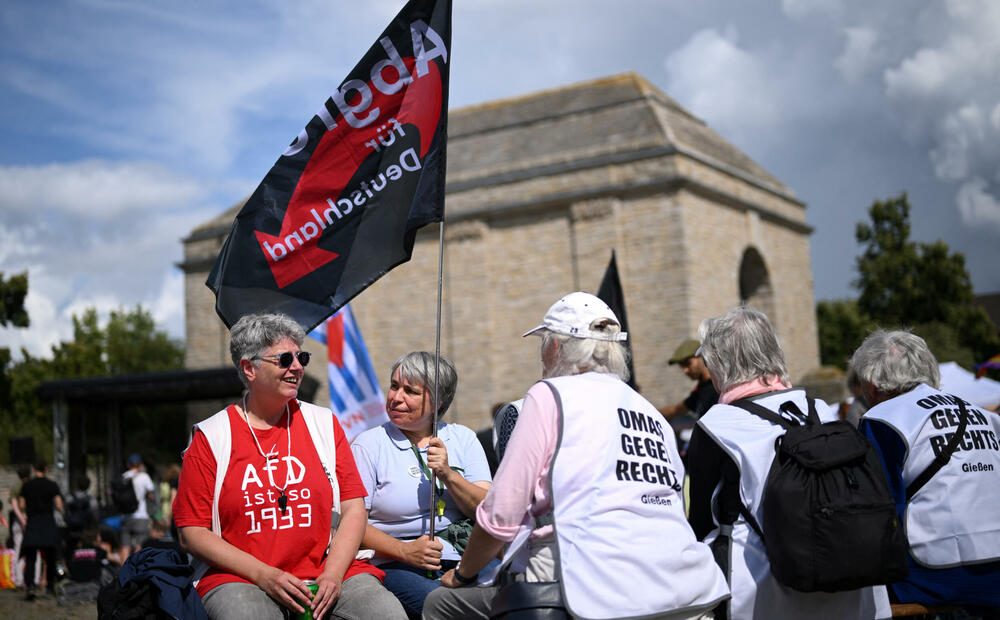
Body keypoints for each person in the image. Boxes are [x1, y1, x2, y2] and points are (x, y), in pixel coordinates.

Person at [424, 292, 729, 620]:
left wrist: (464, 573)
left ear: (556, 347)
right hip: (683, 584)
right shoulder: (649, 410)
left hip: (588, 581)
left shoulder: (550, 395)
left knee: (439, 604)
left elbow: (501, 514)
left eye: (544, 344)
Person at [173, 312, 405, 620]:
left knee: (387, 614)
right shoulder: (212, 437)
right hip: (240, 578)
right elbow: (192, 532)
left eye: (301, 357)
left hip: (328, 569)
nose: (297, 367)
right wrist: (264, 575)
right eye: (284, 359)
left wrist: (333, 575)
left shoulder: (323, 423)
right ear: (249, 368)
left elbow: (354, 508)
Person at [686, 305, 889, 619]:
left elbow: (699, 522)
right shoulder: (818, 408)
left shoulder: (716, 425)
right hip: (851, 588)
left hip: (763, 597)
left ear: (721, 363)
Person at [851, 329, 1000, 611]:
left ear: (870, 384)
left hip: (934, 576)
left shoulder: (882, 419)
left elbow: (878, 512)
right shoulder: (984, 415)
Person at [351, 352, 492, 619]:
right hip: (395, 562)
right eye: (394, 386)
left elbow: (487, 511)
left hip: (466, 554)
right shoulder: (368, 445)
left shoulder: (462, 438)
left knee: (506, 596)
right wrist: (405, 551)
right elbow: (353, 524)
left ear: (438, 401)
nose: (396, 397)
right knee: (449, 608)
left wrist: (449, 475)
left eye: (410, 391)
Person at [18, 461, 63, 601]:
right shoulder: (52, 485)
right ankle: (50, 586)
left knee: (31, 556)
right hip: (47, 521)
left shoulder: (27, 485)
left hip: (33, 521)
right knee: (50, 557)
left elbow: (21, 505)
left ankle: (30, 586)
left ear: (33, 469)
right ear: (46, 469)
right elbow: (59, 504)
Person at [659, 338, 719, 420]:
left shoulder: (720, 386)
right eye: (681, 366)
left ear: (702, 356)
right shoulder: (700, 391)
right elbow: (675, 410)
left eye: (688, 363)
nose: (685, 370)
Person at [120, 453, 155, 562]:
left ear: (128, 465)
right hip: (141, 516)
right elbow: (151, 496)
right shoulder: (144, 477)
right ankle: (135, 571)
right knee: (139, 546)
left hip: (126, 517)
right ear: (140, 464)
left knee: (125, 547)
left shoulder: (124, 477)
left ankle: (122, 573)